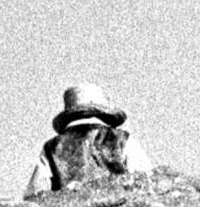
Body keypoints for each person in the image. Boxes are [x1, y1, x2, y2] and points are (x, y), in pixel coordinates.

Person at [24, 80, 154, 195]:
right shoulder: (123, 140)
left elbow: (34, 193)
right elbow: (148, 181)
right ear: (104, 114)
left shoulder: (51, 148)